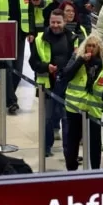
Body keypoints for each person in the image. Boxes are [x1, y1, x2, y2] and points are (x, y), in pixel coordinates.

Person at [29, 10, 75, 156]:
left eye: (58, 22)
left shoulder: (72, 38)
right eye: (52, 22)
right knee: (48, 119)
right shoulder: (39, 39)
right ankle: (46, 148)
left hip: (67, 85)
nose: (55, 25)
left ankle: (70, 151)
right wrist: (46, 67)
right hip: (47, 86)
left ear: (64, 22)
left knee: (67, 119)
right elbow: (33, 62)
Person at [61, 35, 103, 170]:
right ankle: (71, 170)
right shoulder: (77, 57)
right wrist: (80, 61)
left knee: (95, 143)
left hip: (94, 108)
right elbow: (66, 74)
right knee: (72, 140)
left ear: (99, 48)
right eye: (89, 45)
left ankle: (95, 171)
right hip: (75, 106)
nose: (91, 49)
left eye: (94, 46)